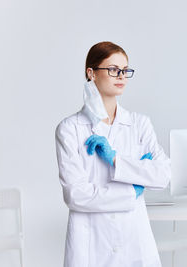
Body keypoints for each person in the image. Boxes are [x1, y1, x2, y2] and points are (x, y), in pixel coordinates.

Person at [55, 41, 171, 267]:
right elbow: (76, 195)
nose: (121, 76)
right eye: (113, 70)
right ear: (91, 73)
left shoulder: (139, 124)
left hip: (134, 242)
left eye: (125, 70)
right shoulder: (69, 129)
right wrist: (132, 191)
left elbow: (163, 176)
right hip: (91, 246)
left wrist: (117, 160)